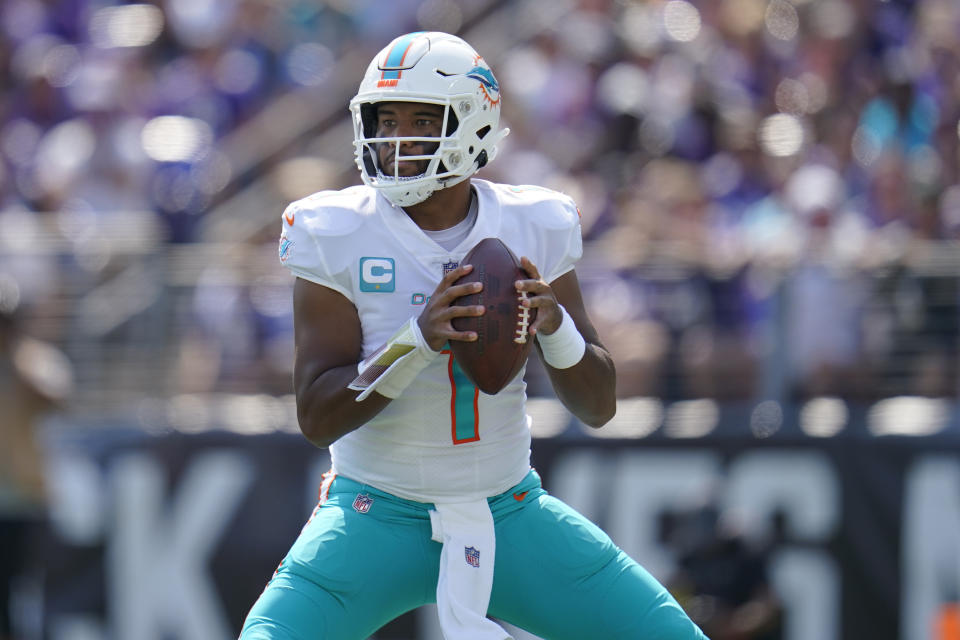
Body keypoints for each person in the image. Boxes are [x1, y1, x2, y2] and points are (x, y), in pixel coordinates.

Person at [240, 31, 707, 640]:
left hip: (509, 514)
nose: (396, 139)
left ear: (471, 125)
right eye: (385, 120)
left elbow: (599, 405)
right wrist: (418, 340)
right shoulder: (336, 230)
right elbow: (317, 415)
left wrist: (554, 326)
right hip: (371, 515)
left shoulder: (533, 222)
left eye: (419, 119)